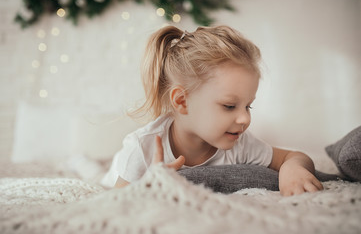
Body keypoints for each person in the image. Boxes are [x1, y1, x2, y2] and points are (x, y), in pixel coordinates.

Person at [101, 25, 324, 196]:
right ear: (181, 101)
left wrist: (291, 168)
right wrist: (149, 188)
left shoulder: (240, 143)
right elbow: (115, 204)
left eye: (248, 105)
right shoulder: (142, 148)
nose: (245, 118)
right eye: (229, 106)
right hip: (111, 174)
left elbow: (293, 156)